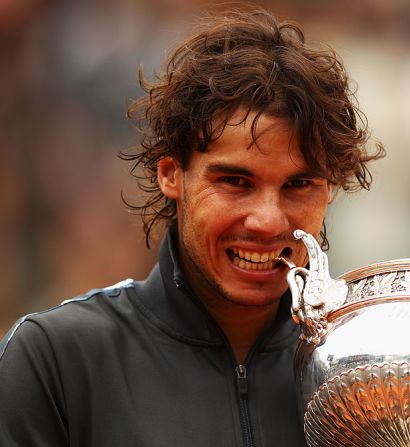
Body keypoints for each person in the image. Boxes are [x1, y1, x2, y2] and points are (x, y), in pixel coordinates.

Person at [0, 9, 384, 446]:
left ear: (329, 190)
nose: (267, 221)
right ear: (170, 174)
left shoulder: (369, 374)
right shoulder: (55, 360)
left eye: (299, 185)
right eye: (236, 182)